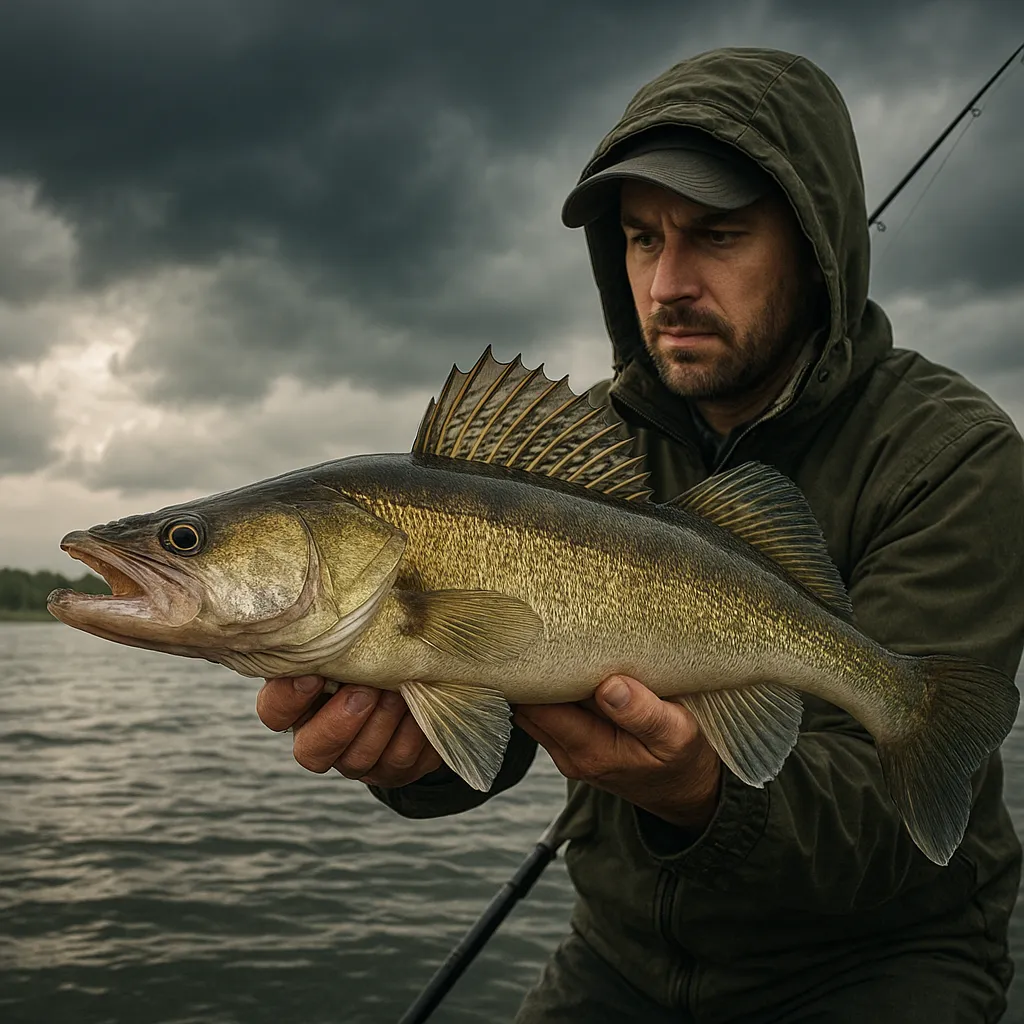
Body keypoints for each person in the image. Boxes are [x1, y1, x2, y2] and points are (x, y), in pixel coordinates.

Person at [256, 47, 1024, 1022]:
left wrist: (702, 789)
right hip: (625, 955)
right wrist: (412, 760)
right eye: (639, 237)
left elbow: (885, 826)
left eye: (716, 234)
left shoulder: (950, 455)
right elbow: (505, 711)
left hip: (878, 955)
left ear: (813, 244)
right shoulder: (573, 453)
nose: (666, 283)